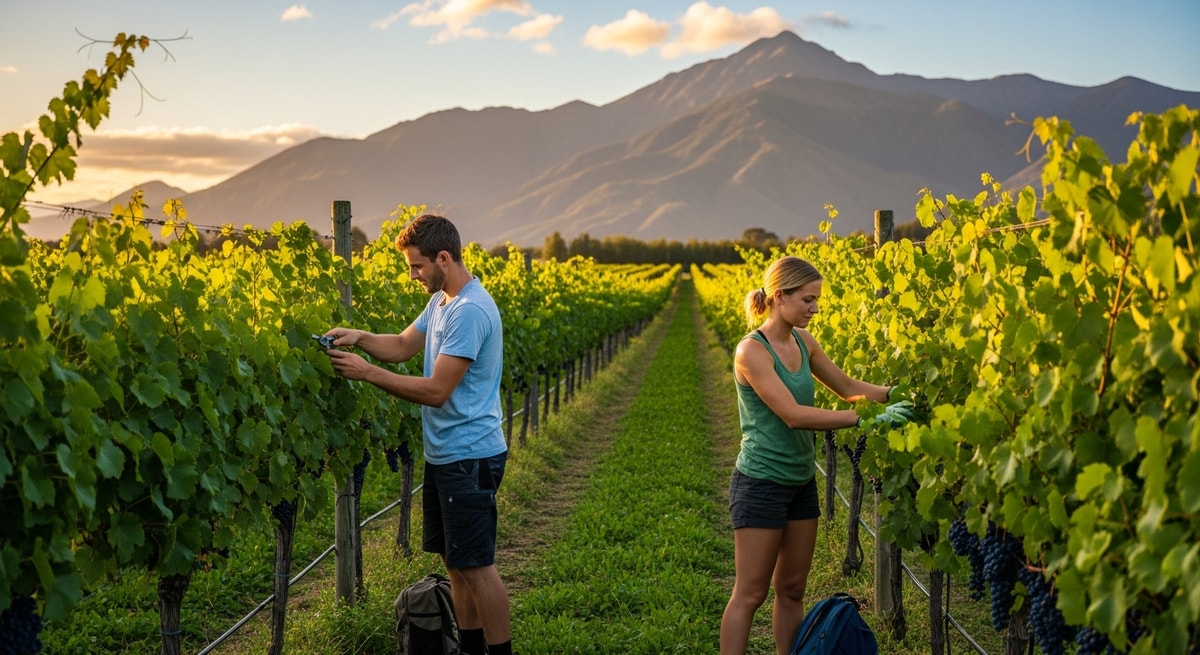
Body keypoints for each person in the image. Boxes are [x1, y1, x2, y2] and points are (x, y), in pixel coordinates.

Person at [322, 214, 512, 655]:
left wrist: (367, 374)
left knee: (478, 566)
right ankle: (469, 647)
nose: (412, 276)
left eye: (417, 266)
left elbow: (436, 391)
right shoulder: (443, 302)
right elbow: (405, 345)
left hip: (470, 457)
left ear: (443, 258)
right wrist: (360, 337)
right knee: (456, 563)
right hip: (447, 455)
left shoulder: (469, 311)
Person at [719, 255, 912, 655]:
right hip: (760, 483)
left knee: (791, 589)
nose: (815, 308)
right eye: (807, 299)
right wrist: (864, 420)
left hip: (799, 482)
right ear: (778, 296)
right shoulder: (751, 351)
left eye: (817, 299)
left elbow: (847, 385)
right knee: (750, 594)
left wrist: (895, 396)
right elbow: (792, 415)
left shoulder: (804, 342)